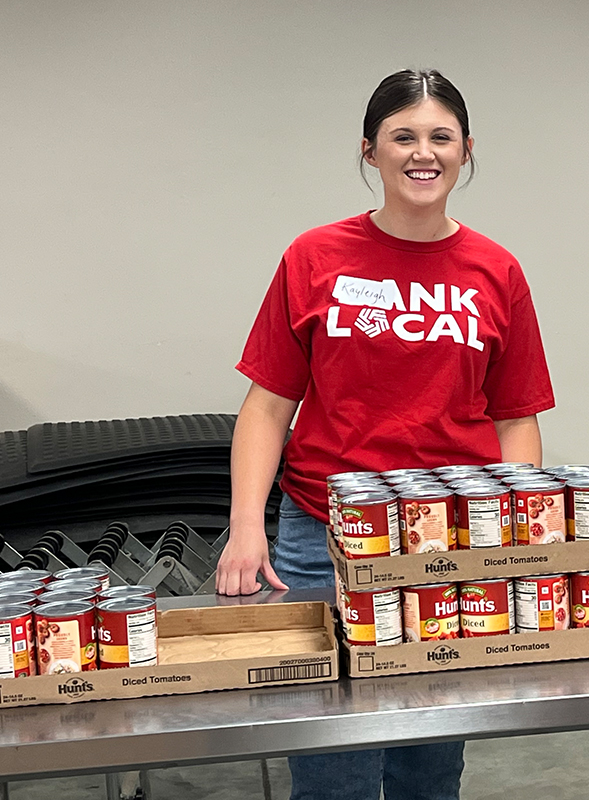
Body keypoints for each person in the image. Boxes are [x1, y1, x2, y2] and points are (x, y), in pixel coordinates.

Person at [216, 69, 555, 800]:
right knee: (330, 756)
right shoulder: (314, 258)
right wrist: (248, 525)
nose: (422, 152)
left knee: (429, 764)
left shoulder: (497, 271)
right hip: (322, 536)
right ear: (370, 151)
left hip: (448, 540)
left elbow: (515, 417)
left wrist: (517, 536)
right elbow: (268, 405)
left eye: (441, 136)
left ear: (466, 151)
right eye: (403, 136)